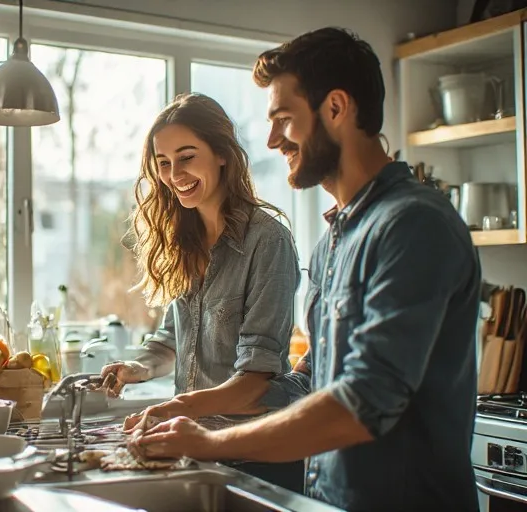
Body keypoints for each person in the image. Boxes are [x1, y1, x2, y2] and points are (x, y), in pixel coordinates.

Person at [132, 27, 481, 512]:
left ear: (336, 108)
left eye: (284, 119)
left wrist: (209, 442)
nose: (273, 140)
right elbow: (315, 379)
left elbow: (361, 403)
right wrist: (199, 407)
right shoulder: (335, 241)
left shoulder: (413, 225)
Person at [100, 93, 309, 491]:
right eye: (163, 162)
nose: (173, 172)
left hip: (255, 456)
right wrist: (136, 369)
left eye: (186, 156)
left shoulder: (267, 242)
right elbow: (171, 341)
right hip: (196, 451)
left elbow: (255, 381)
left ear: (222, 154)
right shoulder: (184, 240)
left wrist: (172, 408)